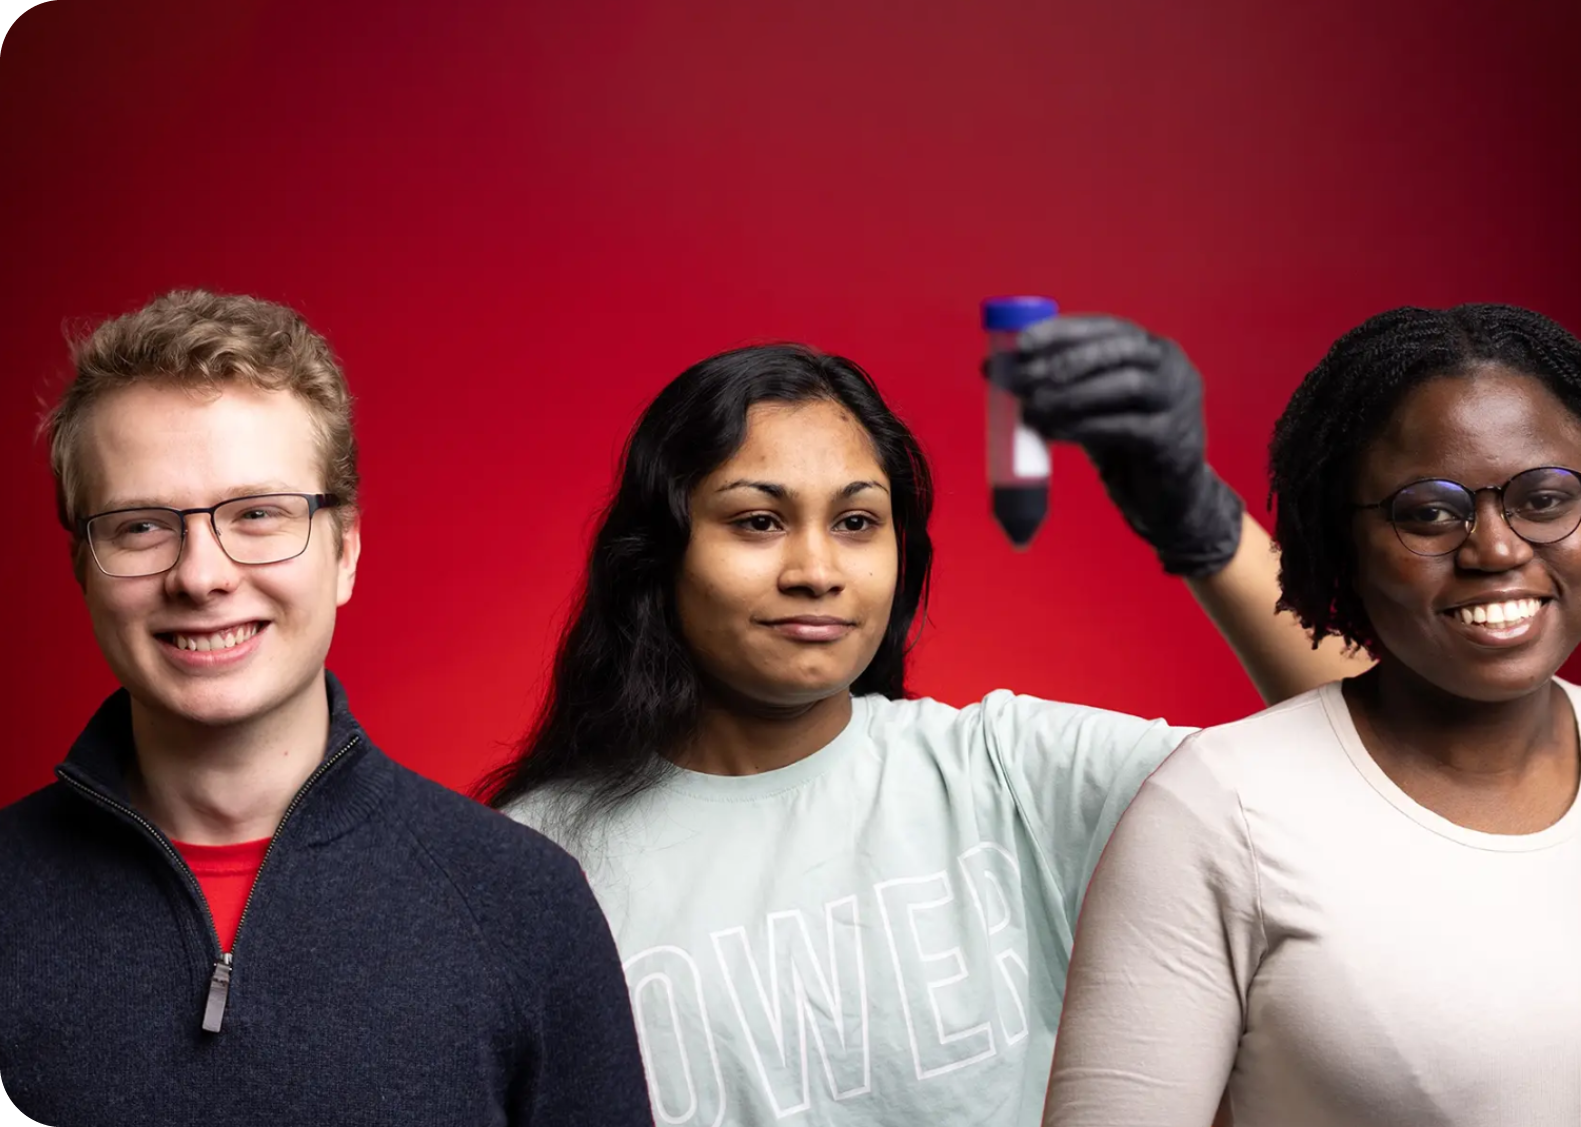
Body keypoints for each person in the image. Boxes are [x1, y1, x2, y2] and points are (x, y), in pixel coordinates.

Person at [488, 318, 1370, 1126]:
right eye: (758, 521)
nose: (817, 568)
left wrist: (1203, 524)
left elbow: (1377, 757)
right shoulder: (531, 864)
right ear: (659, 555)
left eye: (857, 521)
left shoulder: (1011, 774)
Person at [0, 290, 653, 1126]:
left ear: (344, 550)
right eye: (141, 527)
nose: (201, 575)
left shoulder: (523, 904)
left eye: (258, 514)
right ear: (83, 567)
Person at [1042, 303, 1581, 1127]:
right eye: (1429, 512)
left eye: (1544, 497)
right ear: (1341, 542)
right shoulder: (1218, 811)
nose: (1496, 549)